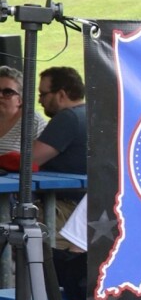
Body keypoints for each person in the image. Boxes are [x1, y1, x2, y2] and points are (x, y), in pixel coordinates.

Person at [33, 66, 87, 252]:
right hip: (81, 209)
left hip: (62, 210)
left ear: (61, 94)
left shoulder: (68, 118)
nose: (40, 101)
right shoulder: (90, 113)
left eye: (43, 94)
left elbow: (30, 160)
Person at [0, 65, 47, 157]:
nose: (0, 95)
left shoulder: (31, 121)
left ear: (20, 99)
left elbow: (40, 160)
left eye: (8, 92)